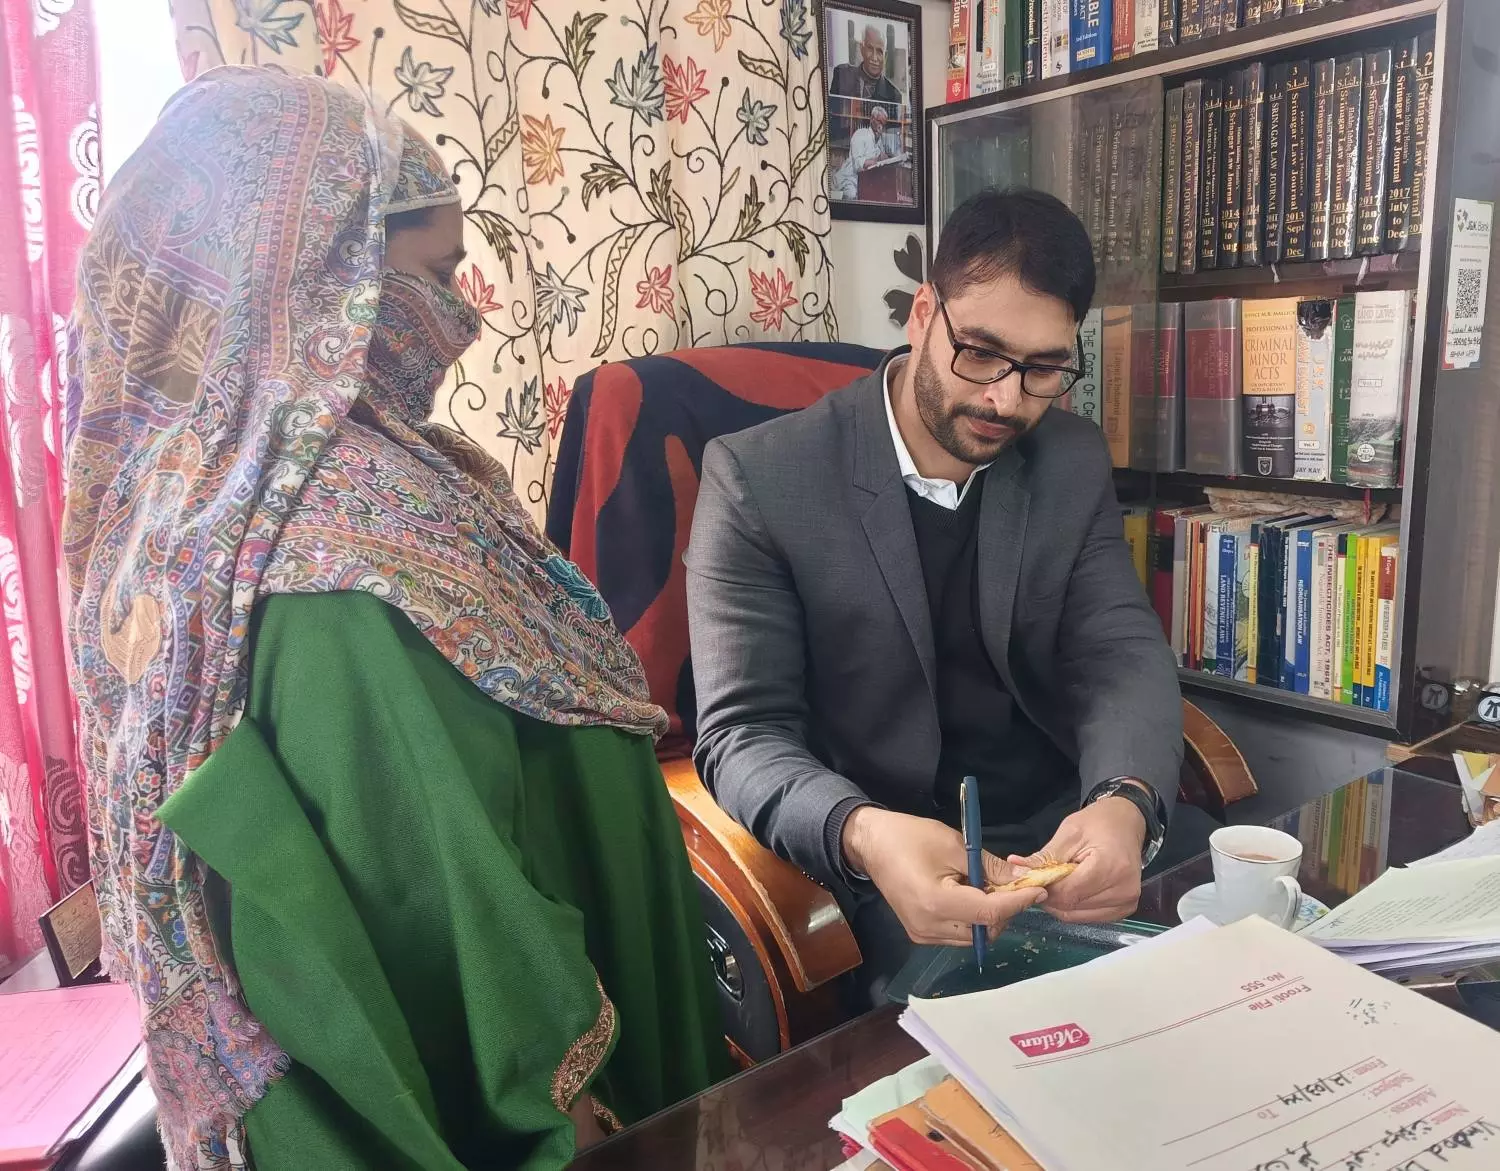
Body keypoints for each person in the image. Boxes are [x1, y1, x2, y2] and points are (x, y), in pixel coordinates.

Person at [64, 67, 724, 1171]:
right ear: (317, 276)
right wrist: (575, 1110)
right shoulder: (339, 560)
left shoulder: (188, 503)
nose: (458, 318)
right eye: (430, 273)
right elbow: (446, 901)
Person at [686, 188, 1205, 1006]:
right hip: (898, 859)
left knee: (1251, 957)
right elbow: (740, 733)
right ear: (922, 313)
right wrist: (862, 834)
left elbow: (1118, 647)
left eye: (1043, 368)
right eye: (981, 352)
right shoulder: (761, 479)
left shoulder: (1068, 458)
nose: (1005, 398)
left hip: (1062, 826)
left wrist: (1126, 802)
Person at [829, 24, 902, 140]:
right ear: (862, 48)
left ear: (885, 56)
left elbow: (891, 140)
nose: (874, 57)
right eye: (869, 48)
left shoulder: (893, 95)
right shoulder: (841, 75)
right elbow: (830, 122)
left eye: (879, 52)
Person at [831, 106, 893, 201]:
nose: (881, 126)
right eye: (879, 121)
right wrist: (878, 160)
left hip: (866, 181)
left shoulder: (879, 141)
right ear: (871, 119)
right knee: (852, 195)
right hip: (849, 179)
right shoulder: (860, 135)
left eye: (883, 124)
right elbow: (858, 164)